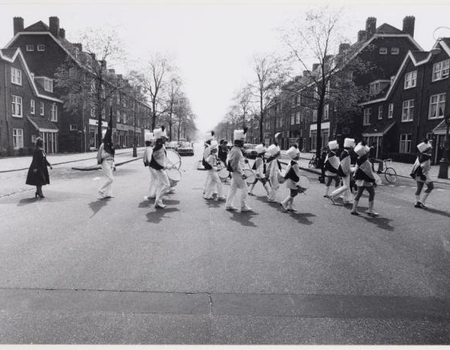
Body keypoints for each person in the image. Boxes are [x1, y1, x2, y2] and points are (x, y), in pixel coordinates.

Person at [225, 128, 253, 212]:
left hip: (235, 172)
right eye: (243, 141)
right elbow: (236, 164)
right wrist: (242, 173)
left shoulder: (235, 149)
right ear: (239, 142)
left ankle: (228, 204)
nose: (243, 143)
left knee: (232, 188)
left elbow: (235, 161)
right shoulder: (237, 150)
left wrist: (244, 160)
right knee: (245, 188)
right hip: (238, 172)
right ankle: (243, 206)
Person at [351, 141, 379, 216]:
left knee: (358, 194)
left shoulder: (358, 159)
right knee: (372, 193)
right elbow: (370, 173)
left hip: (360, 180)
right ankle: (370, 210)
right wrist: (374, 181)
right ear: (366, 153)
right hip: (366, 181)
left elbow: (356, 170)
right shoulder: (367, 162)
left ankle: (354, 209)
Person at [150, 126, 171, 209]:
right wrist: (165, 166)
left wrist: (168, 164)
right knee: (167, 185)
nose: (165, 140)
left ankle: (158, 202)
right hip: (160, 169)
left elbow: (163, 158)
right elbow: (155, 159)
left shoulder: (161, 146)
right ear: (160, 139)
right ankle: (158, 201)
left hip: (161, 168)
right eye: (164, 138)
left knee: (160, 184)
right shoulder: (158, 147)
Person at [329, 138, 355, 205]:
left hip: (344, 171)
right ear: (350, 147)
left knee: (347, 186)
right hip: (345, 172)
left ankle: (347, 199)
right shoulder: (346, 154)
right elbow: (346, 165)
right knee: (346, 186)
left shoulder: (344, 153)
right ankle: (333, 195)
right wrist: (351, 169)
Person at [411, 140, 434, 209]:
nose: (431, 150)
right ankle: (421, 202)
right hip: (424, 175)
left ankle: (416, 202)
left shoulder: (420, 156)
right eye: (430, 149)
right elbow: (425, 169)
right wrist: (424, 177)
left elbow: (415, 166)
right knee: (431, 187)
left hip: (418, 175)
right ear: (426, 150)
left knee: (419, 188)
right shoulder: (426, 158)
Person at [280, 145, 302, 212]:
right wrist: (297, 183)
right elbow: (295, 174)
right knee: (294, 193)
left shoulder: (292, 162)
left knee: (292, 193)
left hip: (290, 180)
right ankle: (284, 202)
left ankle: (290, 206)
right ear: (295, 156)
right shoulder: (294, 163)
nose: (299, 156)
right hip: (292, 180)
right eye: (298, 155)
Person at [97, 125, 115, 199]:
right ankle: (101, 189)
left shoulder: (110, 145)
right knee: (111, 178)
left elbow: (113, 156)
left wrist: (114, 164)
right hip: (105, 162)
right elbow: (101, 156)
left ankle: (109, 194)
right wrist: (109, 153)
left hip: (110, 162)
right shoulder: (103, 145)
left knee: (109, 178)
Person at [143, 132, 157, 200]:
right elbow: (149, 159)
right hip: (152, 166)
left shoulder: (149, 148)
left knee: (153, 180)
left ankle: (151, 194)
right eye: (152, 141)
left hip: (151, 166)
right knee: (157, 179)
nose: (153, 141)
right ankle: (154, 194)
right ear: (150, 142)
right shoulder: (149, 149)